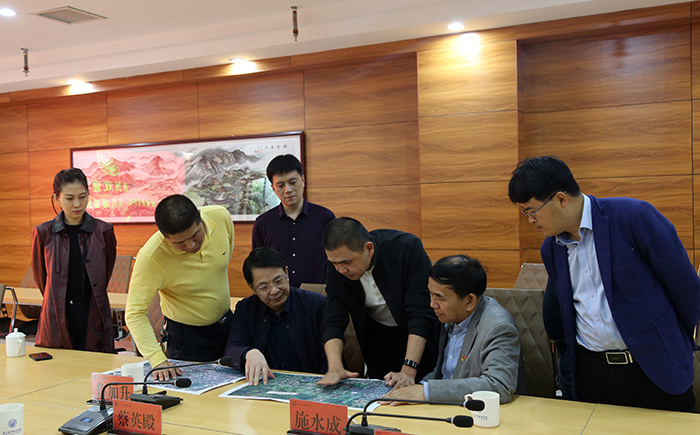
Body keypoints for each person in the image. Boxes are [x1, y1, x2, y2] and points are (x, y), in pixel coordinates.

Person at [508, 156, 700, 412]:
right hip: (594, 375)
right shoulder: (551, 248)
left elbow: (686, 288)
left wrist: (677, 344)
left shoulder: (633, 217)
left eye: (531, 211)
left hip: (654, 369)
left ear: (561, 199)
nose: (530, 220)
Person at [318, 217, 440, 390]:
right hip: (378, 340)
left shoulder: (406, 248)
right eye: (334, 264)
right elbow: (333, 317)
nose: (341, 270)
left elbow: (420, 313)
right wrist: (335, 366)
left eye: (346, 263)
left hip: (419, 339)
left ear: (369, 249)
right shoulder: (338, 263)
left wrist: (408, 370)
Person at [383, 254, 520, 404]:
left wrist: (426, 392)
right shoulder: (451, 316)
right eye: (430, 294)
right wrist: (411, 386)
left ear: (470, 301)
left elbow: (499, 385)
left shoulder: (498, 327)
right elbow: (446, 375)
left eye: (439, 297)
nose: (432, 304)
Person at [125, 194, 235, 380]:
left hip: (228, 326)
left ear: (200, 216)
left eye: (195, 235)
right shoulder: (151, 258)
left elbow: (223, 261)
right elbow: (134, 314)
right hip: (188, 338)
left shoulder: (220, 217)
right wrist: (157, 359)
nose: (191, 246)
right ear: (164, 237)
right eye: (179, 243)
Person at [31, 168, 117, 352]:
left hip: (93, 312)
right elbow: (41, 278)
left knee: (96, 364)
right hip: (56, 313)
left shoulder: (104, 231)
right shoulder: (43, 232)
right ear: (57, 199)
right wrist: (56, 297)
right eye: (69, 198)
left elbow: (105, 272)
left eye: (82, 197)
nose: (77, 204)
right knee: (58, 365)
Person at [225, 247, 327, 385]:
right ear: (252, 287)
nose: (274, 291)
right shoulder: (246, 309)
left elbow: (328, 359)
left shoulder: (316, 305)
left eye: (278, 281)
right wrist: (248, 353)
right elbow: (232, 349)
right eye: (264, 287)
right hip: (266, 386)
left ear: (286, 273)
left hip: (311, 386)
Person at [252, 154, 335, 287]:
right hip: (279, 295)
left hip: (318, 295)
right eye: (280, 185)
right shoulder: (262, 224)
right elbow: (258, 266)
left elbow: (335, 260)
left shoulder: (325, 217)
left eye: (292, 182)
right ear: (273, 188)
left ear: (303, 180)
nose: (288, 190)